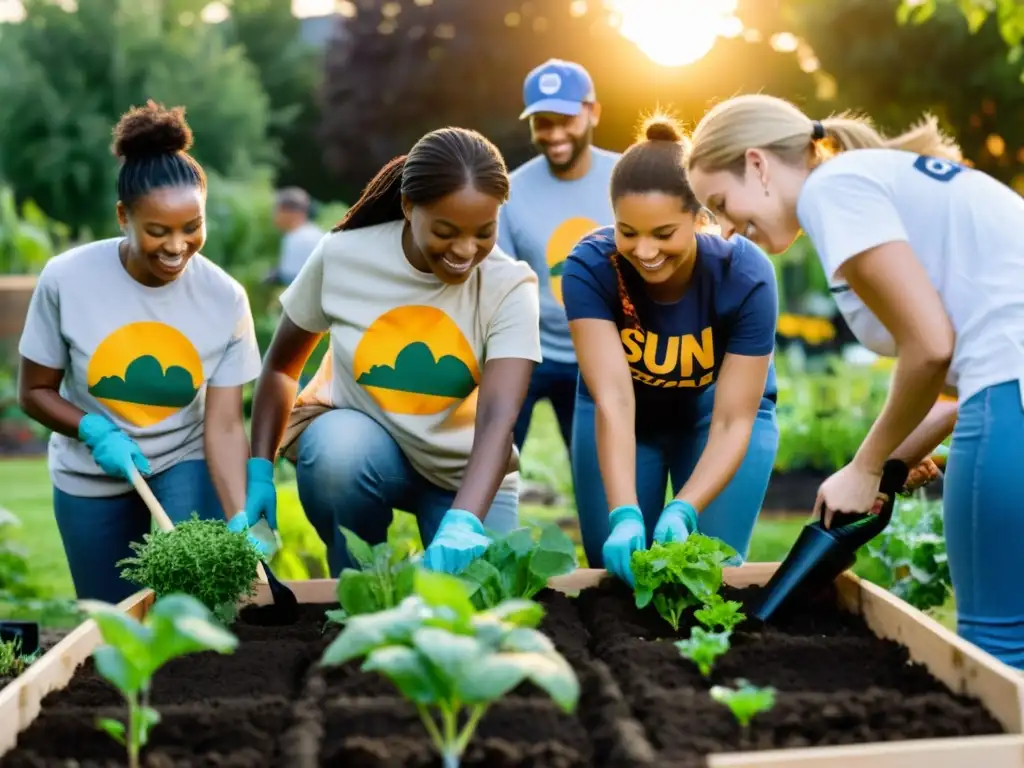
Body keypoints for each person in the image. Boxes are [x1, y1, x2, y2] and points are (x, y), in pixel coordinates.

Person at [686, 93, 1024, 668]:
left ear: (758, 164)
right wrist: (889, 467)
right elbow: (964, 381)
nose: (722, 230)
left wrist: (866, 467)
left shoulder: (832, 190)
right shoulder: (870, 180)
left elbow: (932, 347)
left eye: (719, 202)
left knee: (997, 654)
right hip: (1006, 395)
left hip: (1009, 396)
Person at [246, 127, 541, 577]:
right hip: (365, 455)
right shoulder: (344, 256)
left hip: (467, 473)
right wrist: (260, 471)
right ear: (408, 207)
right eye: (446, 231)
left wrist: (464, 522)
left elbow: (499, 415)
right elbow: (282, 369)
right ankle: (360, 582)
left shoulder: (508, 285)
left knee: (487, 594)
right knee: (336, 454)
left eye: (484, 232)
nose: (466, 250)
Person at [16, 101, 263, 603]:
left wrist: (237, 513)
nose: (178, 245)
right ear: (124, 217)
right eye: (158, 230)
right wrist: (92, 428)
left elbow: (223, 424)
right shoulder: (67, 279)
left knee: (199, 604)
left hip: (184, 456)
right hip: (90, 464)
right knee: (112, 622)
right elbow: (34, 391)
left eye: (192, 226)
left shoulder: (224, 298)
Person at [562, 115, 780, 582]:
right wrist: (623, 513)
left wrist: (684, 510)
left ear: (700, 217)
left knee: (706, 574)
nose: (643, 251)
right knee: (618, 577)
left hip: (713, 417)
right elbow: (615, 400)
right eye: (627, 231)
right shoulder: (590, 267)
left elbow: (732, 418)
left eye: (663, 234)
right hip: (625, 417)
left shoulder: (745, 275)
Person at [498, 59, 619, 452]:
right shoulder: (511, 192)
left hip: (600, 355)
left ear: (593, 112)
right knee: (494, 462)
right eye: (543, 122)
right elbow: (500, 283)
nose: (554, 134)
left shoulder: (625, 180)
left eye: (565, 119)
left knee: (600, 474)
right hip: (529, 351)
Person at [268, 187, 324, 286]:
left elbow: (291, 278)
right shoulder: (305, 233)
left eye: (277, 210)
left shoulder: (300, 239)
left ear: (291, 213)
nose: (274, 216)